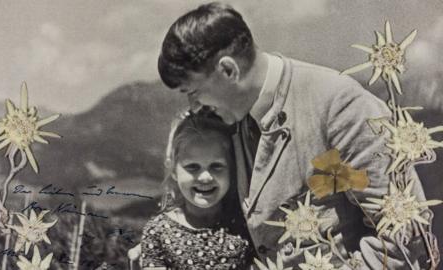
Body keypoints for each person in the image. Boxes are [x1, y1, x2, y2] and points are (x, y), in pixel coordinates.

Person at [154, 2, 431, 269]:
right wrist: (162, 245)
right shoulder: (226, 116)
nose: (194, 106)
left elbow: (404, 234)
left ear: (228, 70)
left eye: (193, 92)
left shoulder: (339, 105)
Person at [138, 110, 254, 270]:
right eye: (192, 167)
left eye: (216, 166)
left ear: (232, 170)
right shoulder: (158, 232)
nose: (205, 177)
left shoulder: (245, 225)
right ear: (173, 171)